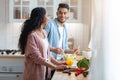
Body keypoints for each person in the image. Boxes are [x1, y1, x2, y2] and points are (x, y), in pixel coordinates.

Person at [18, 7, 67, 80]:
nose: (48, 18)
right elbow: (37, 58)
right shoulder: (32, 35)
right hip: (34, 75)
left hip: (45, 73)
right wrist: (55, 67)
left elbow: (47, 55)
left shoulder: (44, 33)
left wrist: (58, 63)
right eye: (47, 16)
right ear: (41, 18)